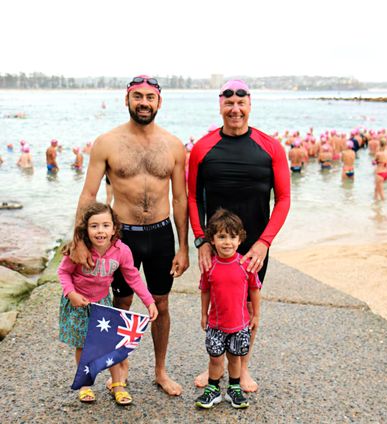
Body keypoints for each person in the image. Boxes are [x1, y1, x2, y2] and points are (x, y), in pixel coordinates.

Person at [70, 75, 189, 396]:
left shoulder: (173, 145)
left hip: (161, 234)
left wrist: (184, 247)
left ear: (159, 102)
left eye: (150, 97)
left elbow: (180, 199)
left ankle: (160, 371)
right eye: (138, 97)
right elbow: (89, 194)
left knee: (161, 302)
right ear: (127, 100)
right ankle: (118, 373)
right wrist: (79, 240)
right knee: (120, 303)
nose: (144, 103)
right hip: (121, 238)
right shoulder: (107, 143)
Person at [188, 79, 290, 392]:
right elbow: (193, 197)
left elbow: (284, 199)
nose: (235, 110)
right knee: (218, 303)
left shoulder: (270, 147)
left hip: (254, 245)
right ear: (220, 106)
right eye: (229, 103)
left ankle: (242, 368)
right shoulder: (203, 148)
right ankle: (215, 367)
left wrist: (264, 242)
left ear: (249, 105)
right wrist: (201, 240)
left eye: (241, 104)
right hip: (216, 245)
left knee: (246, 305)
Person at [58, 202, 158, 405]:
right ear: (86, 229)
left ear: (114, 228)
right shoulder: (78, 249)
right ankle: (85, 384)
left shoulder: (122, 251)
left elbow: (133, 277)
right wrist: (71, 293)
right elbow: (63, 272)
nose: (100, 231)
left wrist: (149, 302)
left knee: (111, 344)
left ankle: (118, 385)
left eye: (105, 225)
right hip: (78, 304)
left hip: (102, 304)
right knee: (83, 345)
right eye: (94, 226)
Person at [195, 209, 261, 409]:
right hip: (216, 324)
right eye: (222, 237)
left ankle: (234, 389)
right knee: (215, 359)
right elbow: (205, 291)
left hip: (239, 325)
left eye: (232, 237)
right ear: (212, 240)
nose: (227, 242)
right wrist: (203, 314)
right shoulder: (210, 266)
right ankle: (213, 390)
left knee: (235, 358)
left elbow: (255, 289)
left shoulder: (245, 264)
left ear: (240, 240)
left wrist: (256, 315)